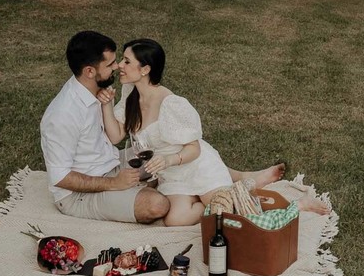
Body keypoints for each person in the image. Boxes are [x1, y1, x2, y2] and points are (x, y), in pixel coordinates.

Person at [100, 38, 330, 227]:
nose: (119, 65)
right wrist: (106, 105)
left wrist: (167, 160)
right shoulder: (130, 94)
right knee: (175, 220)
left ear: (145, 69)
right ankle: (231, 188)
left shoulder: (172, 104)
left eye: (126, 61)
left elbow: (194, 148)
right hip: (172, 176)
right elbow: (116, 136)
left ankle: (296, 204)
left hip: (194, 165)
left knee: (236, 217)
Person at [40, 31, 170, 224]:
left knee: (166, 149)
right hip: (78, 196)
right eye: (110, 64)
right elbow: (60, 177)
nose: (117, 67)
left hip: (110, 163)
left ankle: (224, 180)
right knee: (157, 204)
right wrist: (114, 184)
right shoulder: (62, 115)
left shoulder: (95, 89)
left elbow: (113, 136)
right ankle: (141, 188)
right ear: (90, 72)